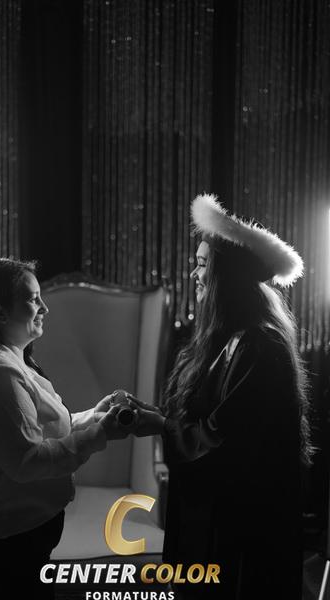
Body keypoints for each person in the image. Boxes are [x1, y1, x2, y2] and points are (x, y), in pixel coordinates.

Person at [132, 194, 313, 599]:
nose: (193, 274)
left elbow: (224, 441)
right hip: (214, 523)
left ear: (226, 276)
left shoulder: (260, 347)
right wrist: (154, 414)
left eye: (202, 264)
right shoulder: (222, 341)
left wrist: (160, 425)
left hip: (242, 537)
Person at [0, 258, 129, 599]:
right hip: (1, 546)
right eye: (33, 299)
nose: (45, 307)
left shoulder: (12, 364)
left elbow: (38, 431)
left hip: (15, 538)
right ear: (0, 313)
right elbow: (27, 461)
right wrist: (99, 434)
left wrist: (95, 416)